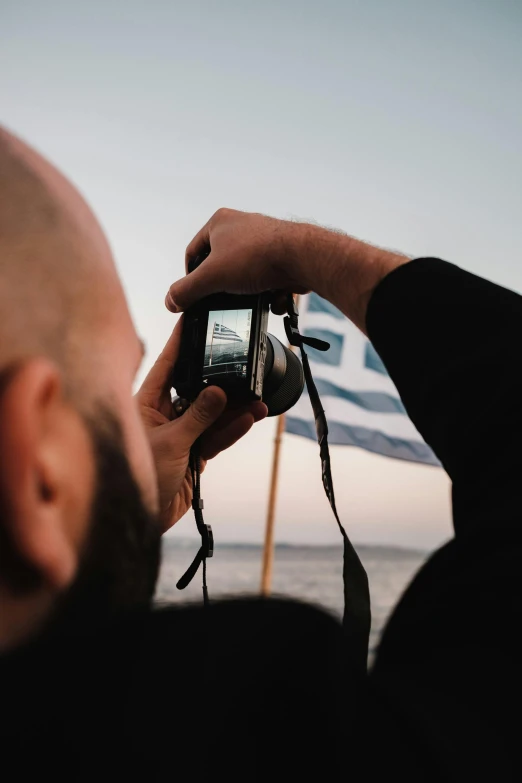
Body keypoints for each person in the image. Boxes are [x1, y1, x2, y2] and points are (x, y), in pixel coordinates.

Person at [0, 127, 519, 781]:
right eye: (113, 389)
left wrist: (117, 508)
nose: (139, 412)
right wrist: (297, 253)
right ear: (38, 464)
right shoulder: (251, 731)